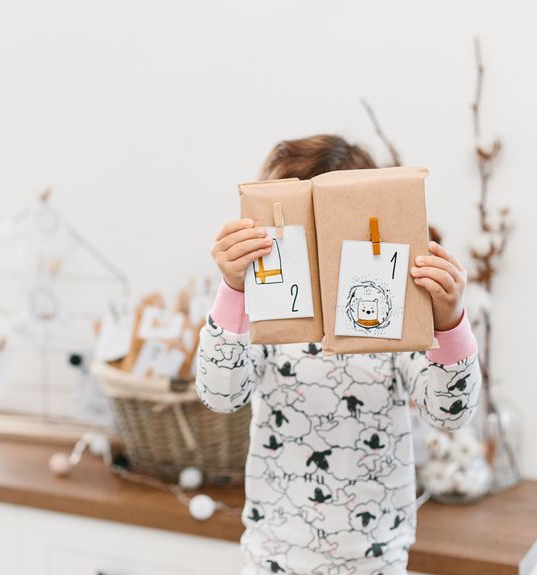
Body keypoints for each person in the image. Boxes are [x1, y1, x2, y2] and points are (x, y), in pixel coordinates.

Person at [195, 135, 481, 575]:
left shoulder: (394, 315)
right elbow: (221, 394)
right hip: (274, 556)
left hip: (376, 559)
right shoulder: (265, 315)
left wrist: (449, 321)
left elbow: (449, 413)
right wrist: (234, 290)